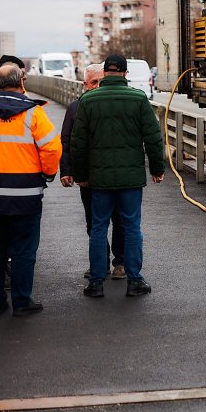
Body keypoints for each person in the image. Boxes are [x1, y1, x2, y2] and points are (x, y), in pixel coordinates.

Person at [0, 63, 61, 317]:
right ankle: (21, 301)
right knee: (24, 249)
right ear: (21, 82)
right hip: (26, 194)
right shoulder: (33, 113)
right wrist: (47, 173)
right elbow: (51, 148)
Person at [71, 53, 165, 299]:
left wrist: (80, 174)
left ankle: (96, 283)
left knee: (99, 227)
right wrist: (157, 169)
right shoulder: (138, 99)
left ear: (105, 73)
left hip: (99, 180)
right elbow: (153, 138)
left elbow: (78, 143)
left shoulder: (88, 101)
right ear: (125, 73)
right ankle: (134, 281)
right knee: (131, 226)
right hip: (130, 179)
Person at [60, 63, 126, 280]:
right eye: (93, 82)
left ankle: (120, 263)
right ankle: (100, 264)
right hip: (88, 177)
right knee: (94, 223)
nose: (98, 86)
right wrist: (67, 171)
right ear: (84, 85)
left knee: (119, 220)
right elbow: (67, 141)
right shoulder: (75, 108)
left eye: (101, 81)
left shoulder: (117, 102)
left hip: (114, 174)